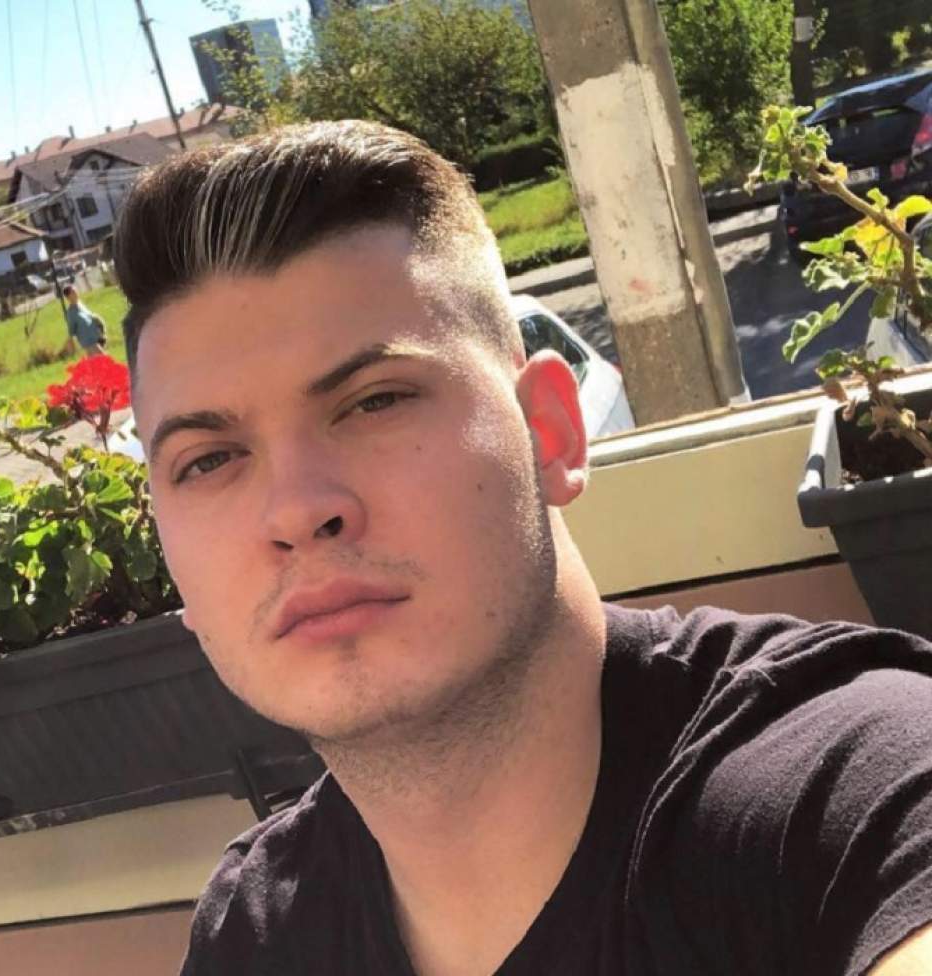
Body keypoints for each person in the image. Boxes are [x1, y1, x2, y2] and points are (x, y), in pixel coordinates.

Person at [112, 121, 932, 975]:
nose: (295, 511)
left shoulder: (855, 788)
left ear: (550, 431)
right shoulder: (252, 936)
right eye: (208, 460)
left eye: (374, 402)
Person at [63, 284, 107, 357]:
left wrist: (99, 323)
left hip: (95, 337)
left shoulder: (80, 305)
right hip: (88, 341)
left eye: (75, 290)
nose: (76, 293)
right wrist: (70, 343)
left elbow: (90, 317)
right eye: (73, 292)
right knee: (103, 357)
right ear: (68, 297)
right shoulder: (71, 313)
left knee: (94, 361)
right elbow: (71, 330)